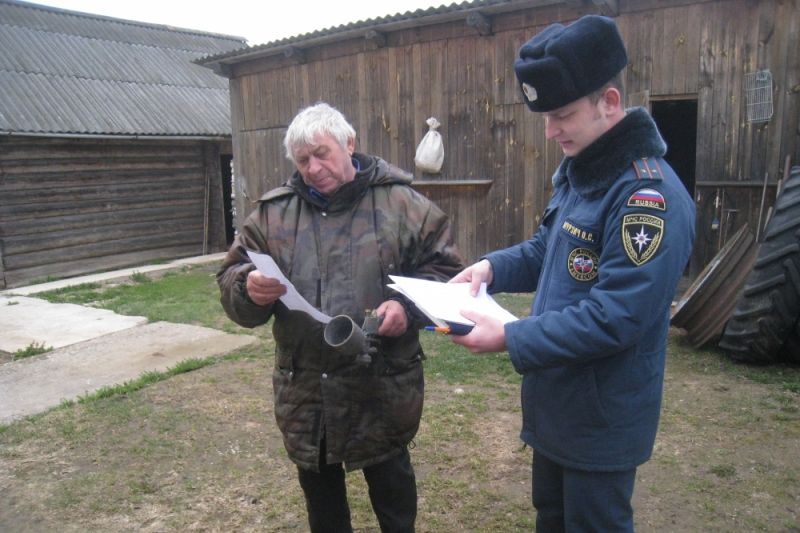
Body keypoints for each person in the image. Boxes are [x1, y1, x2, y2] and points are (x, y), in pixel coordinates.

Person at [449, 15, 696, 532]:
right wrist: (492, 266)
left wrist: (510, 336)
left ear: (609, 103)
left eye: (562, 114)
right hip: (559, 405)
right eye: (544, 116)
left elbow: (616, 315)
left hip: (601, 420)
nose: (549, 130)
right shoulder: (583, 168)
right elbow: (550, 249)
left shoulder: (644, 197)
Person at [217, 102, 463, 533]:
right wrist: (247, 288)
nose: (313, 168)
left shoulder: (404, 204)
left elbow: (446, 274)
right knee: (322, 504)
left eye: (322, 153)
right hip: (308, 390)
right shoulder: (272, 215)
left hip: (381, 383)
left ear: (349, 144)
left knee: (393, 493)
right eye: (302, 160)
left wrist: (406, 310)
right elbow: (231, 276)